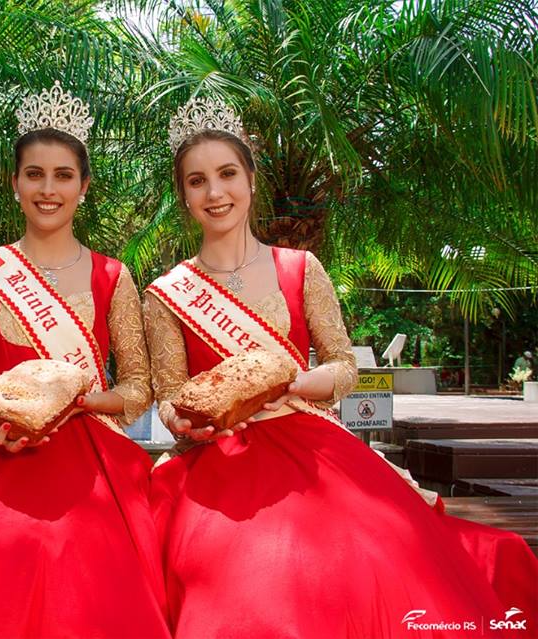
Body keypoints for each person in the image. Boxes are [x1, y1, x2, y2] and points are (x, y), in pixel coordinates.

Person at [143, 97, 534, 637]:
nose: (215, 192)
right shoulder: (165, 295)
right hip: (215, 458)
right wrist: (185, 418)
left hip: (310, 443)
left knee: (375, 557)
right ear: (183, 195)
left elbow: (344, 366)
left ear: (251, 180)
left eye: (227, 173)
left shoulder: (300, 268)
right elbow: (168, 396)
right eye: (196, 180)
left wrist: (294, 383)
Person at [0, 83, 169, 638]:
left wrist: (81, 401)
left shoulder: (112, 277)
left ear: (84, 187)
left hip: (94, 454)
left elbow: (140, 387)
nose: (49, 189)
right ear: (14, 183)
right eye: (35, 174)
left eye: (63, 175)